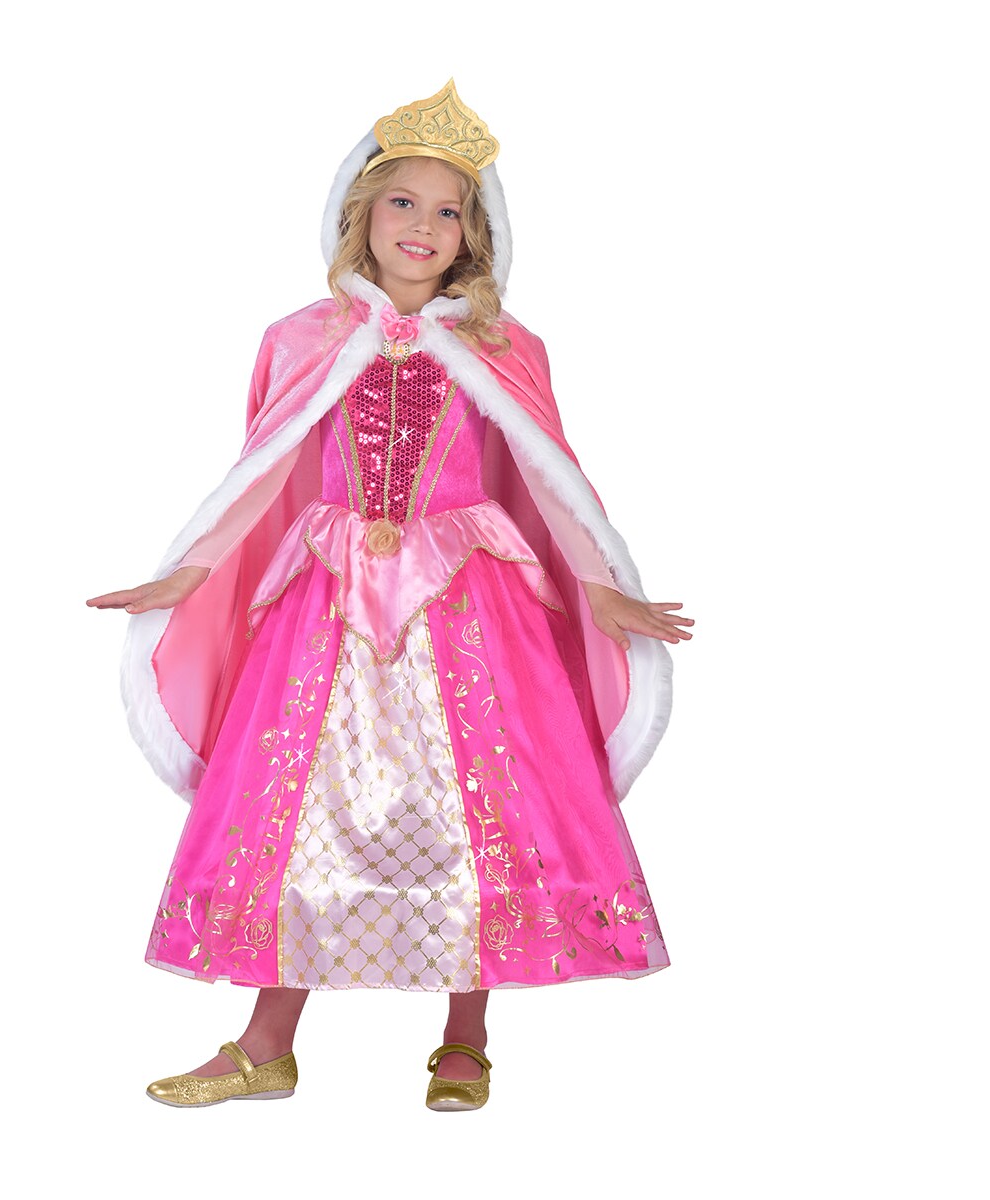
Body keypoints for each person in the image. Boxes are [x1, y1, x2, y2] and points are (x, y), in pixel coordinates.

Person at [87, 80, 693, 1112]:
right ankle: (266, 1044)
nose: (423, 225)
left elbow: (550, 477)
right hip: (327, 600)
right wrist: (187, 574)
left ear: (474, 235)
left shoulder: (507, 348)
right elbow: (263, 470)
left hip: (470, 601)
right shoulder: (300, 338)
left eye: (448, 210)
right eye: (402, 201)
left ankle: (466, 1036)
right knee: (299, 805)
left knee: (480, 803)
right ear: (358, 212)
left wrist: (605, 590)